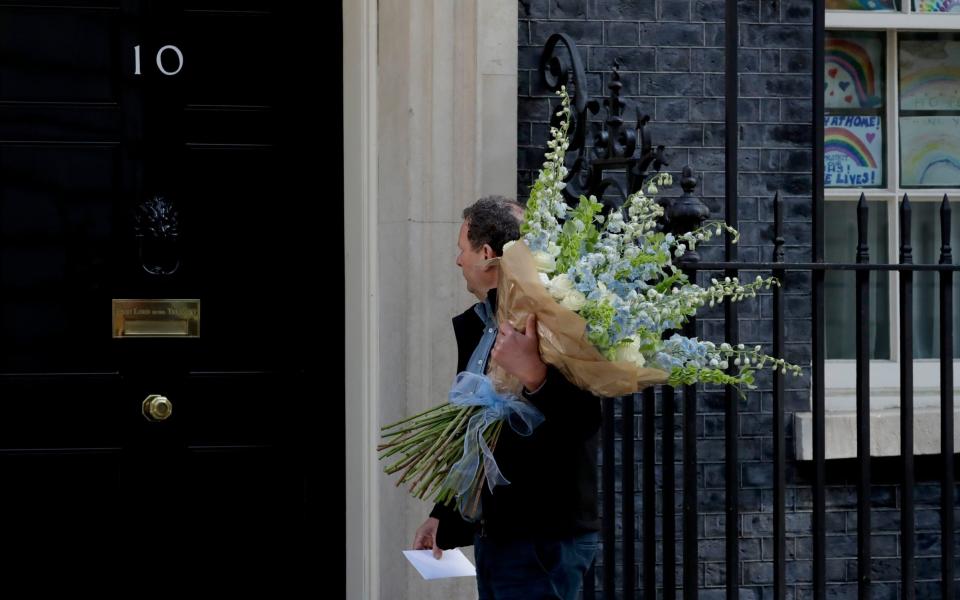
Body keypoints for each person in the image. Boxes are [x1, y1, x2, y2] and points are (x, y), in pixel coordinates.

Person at [411, 195, 601, 600]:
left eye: (461, 249)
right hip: (497, 534)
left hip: (542, 540)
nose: (457, 261)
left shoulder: (552, 317)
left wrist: (534, 374)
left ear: (485, 254)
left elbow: (584, 420)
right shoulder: (477, 326)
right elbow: (477, 436)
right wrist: (443, 517)